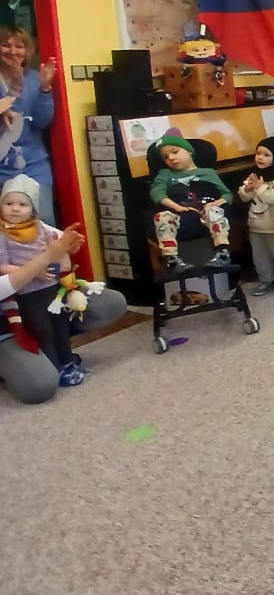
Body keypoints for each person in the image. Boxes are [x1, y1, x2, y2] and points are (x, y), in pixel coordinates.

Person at [0, 176, 126, 388]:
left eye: (22, 204)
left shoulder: (41, 228)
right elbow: (3, 268)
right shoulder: (3, 235)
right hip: (27, 295)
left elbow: (64, 257)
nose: (15, 209)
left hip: (53, 290)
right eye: (8, 203)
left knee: (60, 327)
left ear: (33, 209)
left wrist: (67, 248)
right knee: (43, 331)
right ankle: (54, 366)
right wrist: (36, 270)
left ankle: (67, 361)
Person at [0, 223, 121, 403]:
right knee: (40, 386)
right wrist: (44, 260)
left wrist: (68, 245)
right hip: (10, 313)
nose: (16, 209)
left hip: (49, 294)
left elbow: (60, 245)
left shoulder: (23, 221)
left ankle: (60, 352)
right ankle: (36, 355)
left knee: (109, 303)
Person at [149, 130, 231, 272]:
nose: (171, 158)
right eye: (165, 157)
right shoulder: (165, 174)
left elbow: (227, 194)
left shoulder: (208, 173)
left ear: (189, 151)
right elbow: (156, 193)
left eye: (175, 152)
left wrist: (216, 203)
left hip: (205, 211)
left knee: (215, 212)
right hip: (179, 213)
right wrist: (176, 207)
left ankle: (222, 253)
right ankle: (171, 259)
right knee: (161, 217)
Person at [0, 25, 58, 221]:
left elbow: (42, 122)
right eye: (5, 45)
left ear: (27, 51)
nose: (13, 51)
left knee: (44, 222)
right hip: (2, 168)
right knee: (7, 230)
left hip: (34, 165)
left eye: (19, 46)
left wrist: (44, 88)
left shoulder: (34, 79)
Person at [237, 136, 274, 296]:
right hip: (256, 225)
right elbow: (243, 196)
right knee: (260, 257)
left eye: (266, 155)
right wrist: (247, 189)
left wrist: (260, 188)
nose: (260, 157)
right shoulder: (254, 174)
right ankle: (265, 280)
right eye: (258, 153)